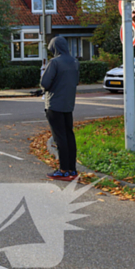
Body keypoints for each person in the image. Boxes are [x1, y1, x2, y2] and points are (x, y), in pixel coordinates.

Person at [40, 36, 80, 181]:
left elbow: (45, 83)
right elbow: (76, 81)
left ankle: (63, 170)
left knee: (59, 137)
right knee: (69, 135)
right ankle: (72, 169)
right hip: (68, 104)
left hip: (54, 104)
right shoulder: (75, 62)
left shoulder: (55, 62)